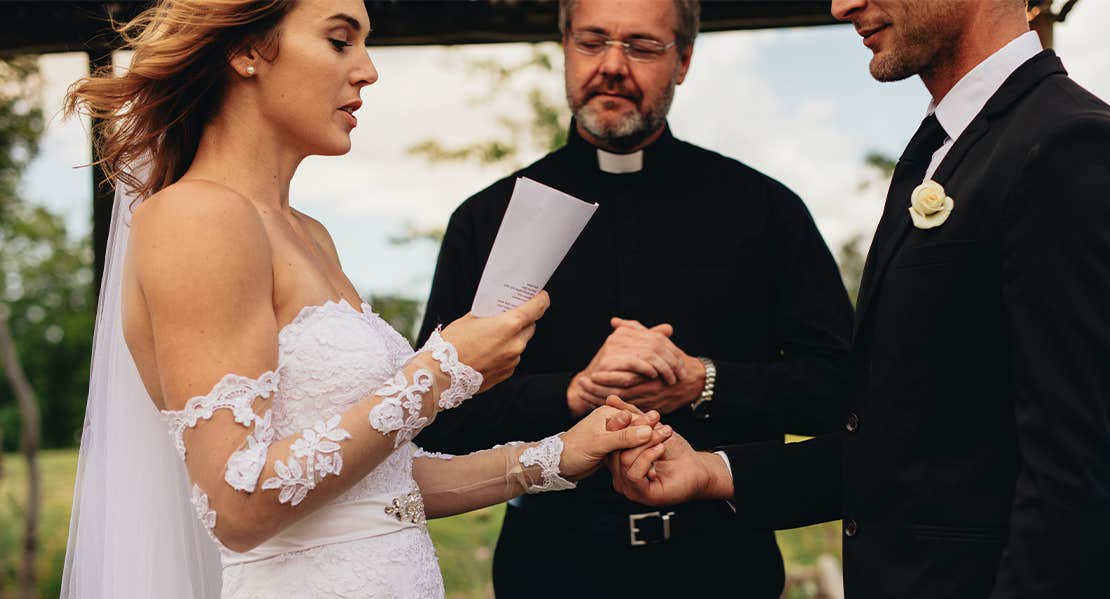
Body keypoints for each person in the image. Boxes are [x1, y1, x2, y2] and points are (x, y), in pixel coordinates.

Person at [59, 1, 669, 597]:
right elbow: (237, 505)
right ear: (246, 51)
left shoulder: (310, 235)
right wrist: (444, 370)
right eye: (339, 39)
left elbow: (376, 491)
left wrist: (557, 455)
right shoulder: (198, 215)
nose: (368, 69)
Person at [609, 0, 1110, 597]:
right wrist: (711, 470)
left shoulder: (1073, 147)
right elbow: (914, 448)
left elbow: (1079, 486)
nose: (841, 4)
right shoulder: (942, 151)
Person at [413, 0, 852, 596]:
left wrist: (704, 381)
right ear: (565, 46)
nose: (612, 66)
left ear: (684, 60)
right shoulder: (487, 220)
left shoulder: (765, 210)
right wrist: (571, 392)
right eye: (592, 42)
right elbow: (435, 420)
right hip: (550, 567)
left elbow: (840, 391)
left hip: (724, 565)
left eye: (642, 47)